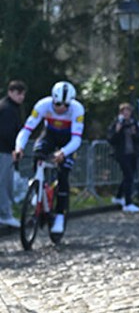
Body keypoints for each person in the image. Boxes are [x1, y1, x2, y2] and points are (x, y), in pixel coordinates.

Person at [13, 81, 84, 240]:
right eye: (57, 104)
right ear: (52, 99)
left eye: (66, 105)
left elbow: (76, 139)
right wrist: (19, 148)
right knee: (38, 153)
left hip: (68, 140)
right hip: (50, 135)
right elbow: (27, 129)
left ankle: (59, 215)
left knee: (64, 173)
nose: (61, 108)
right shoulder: (43, 105)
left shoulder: (77, 109)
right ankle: (38, 188)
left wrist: (64, 152)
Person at [0, 80, 27, 228]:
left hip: (5, 150)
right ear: (11, 92)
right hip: (3, 151)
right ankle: (5, 214)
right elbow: (7, 132)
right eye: (18, 93)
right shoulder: (8, 109)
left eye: (22, 94)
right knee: (3, 183)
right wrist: (16, 148)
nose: (21, 97)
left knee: (6, 182)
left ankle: (5, 213)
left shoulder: (8, 107)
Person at [108, 102, 139, 212]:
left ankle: (118, 197)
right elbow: (111, 139)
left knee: (129, 176)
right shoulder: (116, 123)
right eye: (124, 111)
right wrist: (117, 130)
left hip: (132, 153)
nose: (126, 113)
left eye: (128, 111)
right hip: (121, 154)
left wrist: (134, 133)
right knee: (129, 176)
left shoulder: (133, 123)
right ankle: (128, 202)